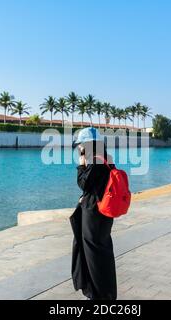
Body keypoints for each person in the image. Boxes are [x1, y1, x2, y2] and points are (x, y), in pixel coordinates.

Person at [70, 127, 117, 300]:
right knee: (102, 252)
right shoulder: (106, 159)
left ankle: (98, 295)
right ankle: (105, 293)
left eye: (81, 145)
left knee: (93, 254)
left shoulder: (94, 161)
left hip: (94, 214)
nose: (79, 148)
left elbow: (83, 183)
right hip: (104, 213)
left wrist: (81, 164)